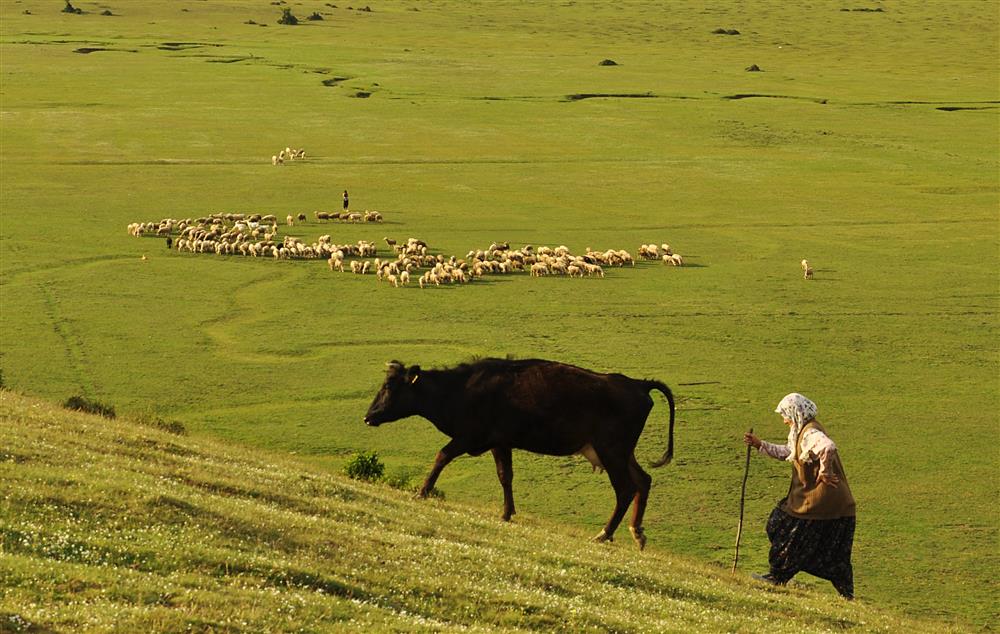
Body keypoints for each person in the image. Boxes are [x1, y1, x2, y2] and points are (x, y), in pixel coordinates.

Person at [743, 393, 856, 599]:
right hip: (831, 504)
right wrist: (760, 444)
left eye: (786, 415)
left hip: (818, 503)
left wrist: (824, 472)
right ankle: (844, 592)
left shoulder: (810, 433)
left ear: (796, 413)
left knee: (782, 527)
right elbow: (788, 452)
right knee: (824, 547)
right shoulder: (801, 432)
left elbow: (828, 447)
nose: (784, 420)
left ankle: (777, 578)